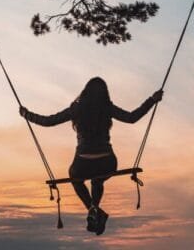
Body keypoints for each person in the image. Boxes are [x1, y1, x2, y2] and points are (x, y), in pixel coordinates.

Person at [19, 77, 163, 235]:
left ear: (85, 92)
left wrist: (27, 114)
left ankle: (93, 209)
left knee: (76, 178)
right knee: (98, 179)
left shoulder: (77, 109)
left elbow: (48, 121)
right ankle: (94, 210)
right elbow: (132, 117)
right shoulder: (106, 107)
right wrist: (152, 100)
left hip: (83, 164)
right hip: (107, 162)